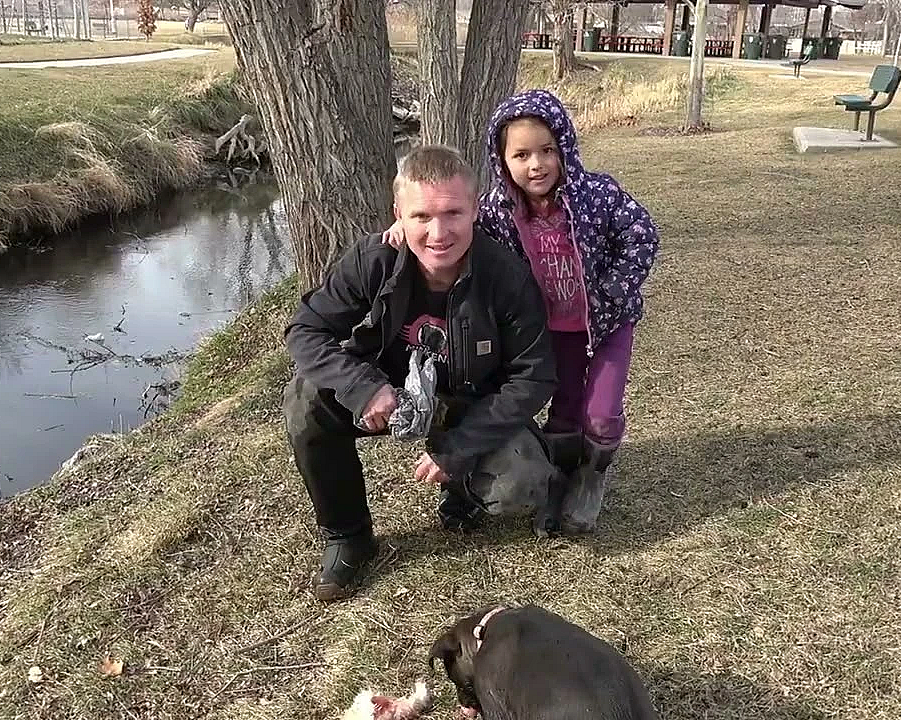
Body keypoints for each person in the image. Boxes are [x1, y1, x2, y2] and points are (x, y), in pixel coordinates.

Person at [283, 144, 559, 602]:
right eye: (421, 216)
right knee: (305, 397)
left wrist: (459, 449)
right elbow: (305, 329)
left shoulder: (507, 276)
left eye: (453, 213)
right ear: (398, 215)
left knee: (523, 482)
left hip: (471, 403)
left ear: (476, 209)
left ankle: (466, 492)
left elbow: (534, 376)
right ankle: (348, 536)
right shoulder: (373, 260)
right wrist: (362, 388)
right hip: (390, 394)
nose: (438, 233)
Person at [384, 89, 661, 534]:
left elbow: (642, 236)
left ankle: (592, 476)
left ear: (565, 147)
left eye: (548, 150)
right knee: (565, 409)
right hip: (554, 330)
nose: (537, 165)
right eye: (522, 154)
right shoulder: (497, 209)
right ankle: (561, 479)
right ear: (502, 159)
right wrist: (406, 220)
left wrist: (610, 291)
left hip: (607, 324)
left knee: (601, 412)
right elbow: (456, 220)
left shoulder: (598, 195)